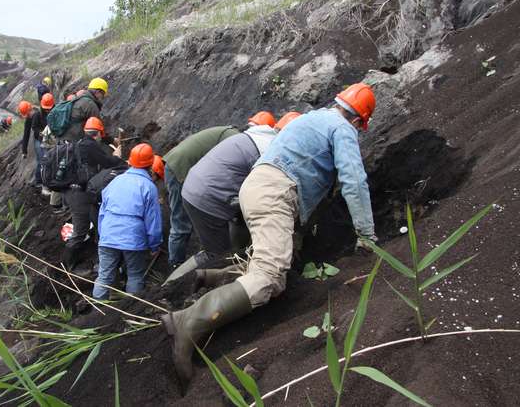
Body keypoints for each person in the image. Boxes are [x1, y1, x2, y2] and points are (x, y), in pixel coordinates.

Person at [161, 84, 378, 391]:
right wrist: (366, 235)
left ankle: (184, 310)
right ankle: (189, 324)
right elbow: (354, 181)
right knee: (268, 279)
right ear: (359, 121)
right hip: (276, 192)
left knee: (267, 259)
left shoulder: (310, 118)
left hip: (255, 186)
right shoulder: (342, 128)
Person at [166, 111, 279, 282]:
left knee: (216, 245)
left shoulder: (240, 139)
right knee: (218, 255)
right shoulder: (262, 148)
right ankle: (175, 285)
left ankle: (173, 278)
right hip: (206, 194)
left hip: (194, 185)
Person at [162, 124, 241, 269]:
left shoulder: (228, 134)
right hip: (180, 168)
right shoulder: (236, 139)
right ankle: (175, 266)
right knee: (181, 223)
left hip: (179, 165)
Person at [92, 143, 162, 299]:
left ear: (130, 161)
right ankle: (131, 313)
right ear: (150, 164)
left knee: (104, 277)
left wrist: (103, 235)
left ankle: (96, 313)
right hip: (133, 238)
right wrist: (154, 244)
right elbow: (153, 222)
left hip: (108, 235)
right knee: (135, 276)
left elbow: (102, 212)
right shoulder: (149, 187)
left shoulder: (116, 181)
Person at [62, 117, 126, 269]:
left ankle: (98, 259)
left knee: (98, 224)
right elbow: (108, 163)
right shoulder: (90, 146)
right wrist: (117, 156)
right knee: (81, 230)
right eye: (100, 135)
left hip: (75, 191)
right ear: (97, 134)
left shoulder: (81, 143)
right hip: (80, 194)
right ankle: (66, 266)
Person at [20, 94, 54, 188]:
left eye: (28, 113)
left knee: (46, 160)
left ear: (30, 109)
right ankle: (40, 181)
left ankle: (43, 180)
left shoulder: (40, 112)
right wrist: (24, 151)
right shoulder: (30, 118)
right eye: (26, 115)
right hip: (39, 139)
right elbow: (26, 134)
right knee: (42, 160)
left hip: (49, 138)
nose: (28, 115)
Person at [58, 77, 108, 142]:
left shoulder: (80, 97)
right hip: (73, 142)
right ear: (98, 91)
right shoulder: (90, 105)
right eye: (103, 94)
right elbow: (98, 128)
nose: (102, 98)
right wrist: (111, 140)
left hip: (63, 139)